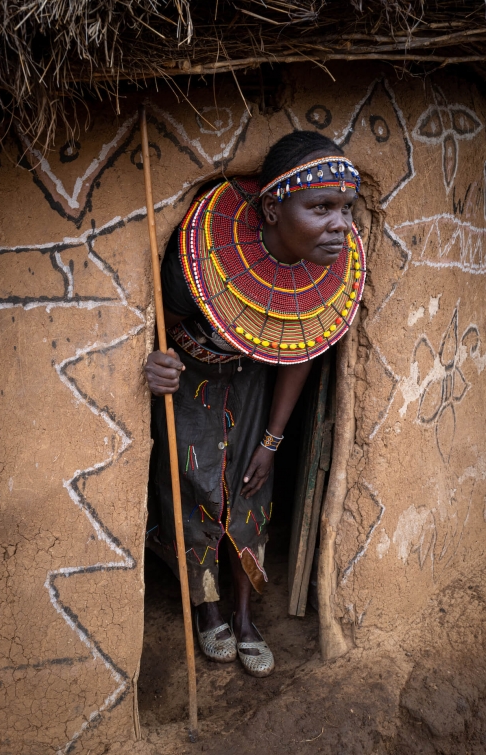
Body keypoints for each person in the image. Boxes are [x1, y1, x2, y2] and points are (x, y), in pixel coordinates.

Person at [145, 130, 365, 677]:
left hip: (250, 380)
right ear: (271, 207)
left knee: (251, 488)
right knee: (191, 489)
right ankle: (208, 609)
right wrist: (158, 360)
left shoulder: (328, 269)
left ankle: (244, 618)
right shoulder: (202, 261)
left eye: (345, 209)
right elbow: (158, 326)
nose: (340, 223)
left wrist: (271, 442)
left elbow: (302, 352)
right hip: (191, 381)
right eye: (321, 207)